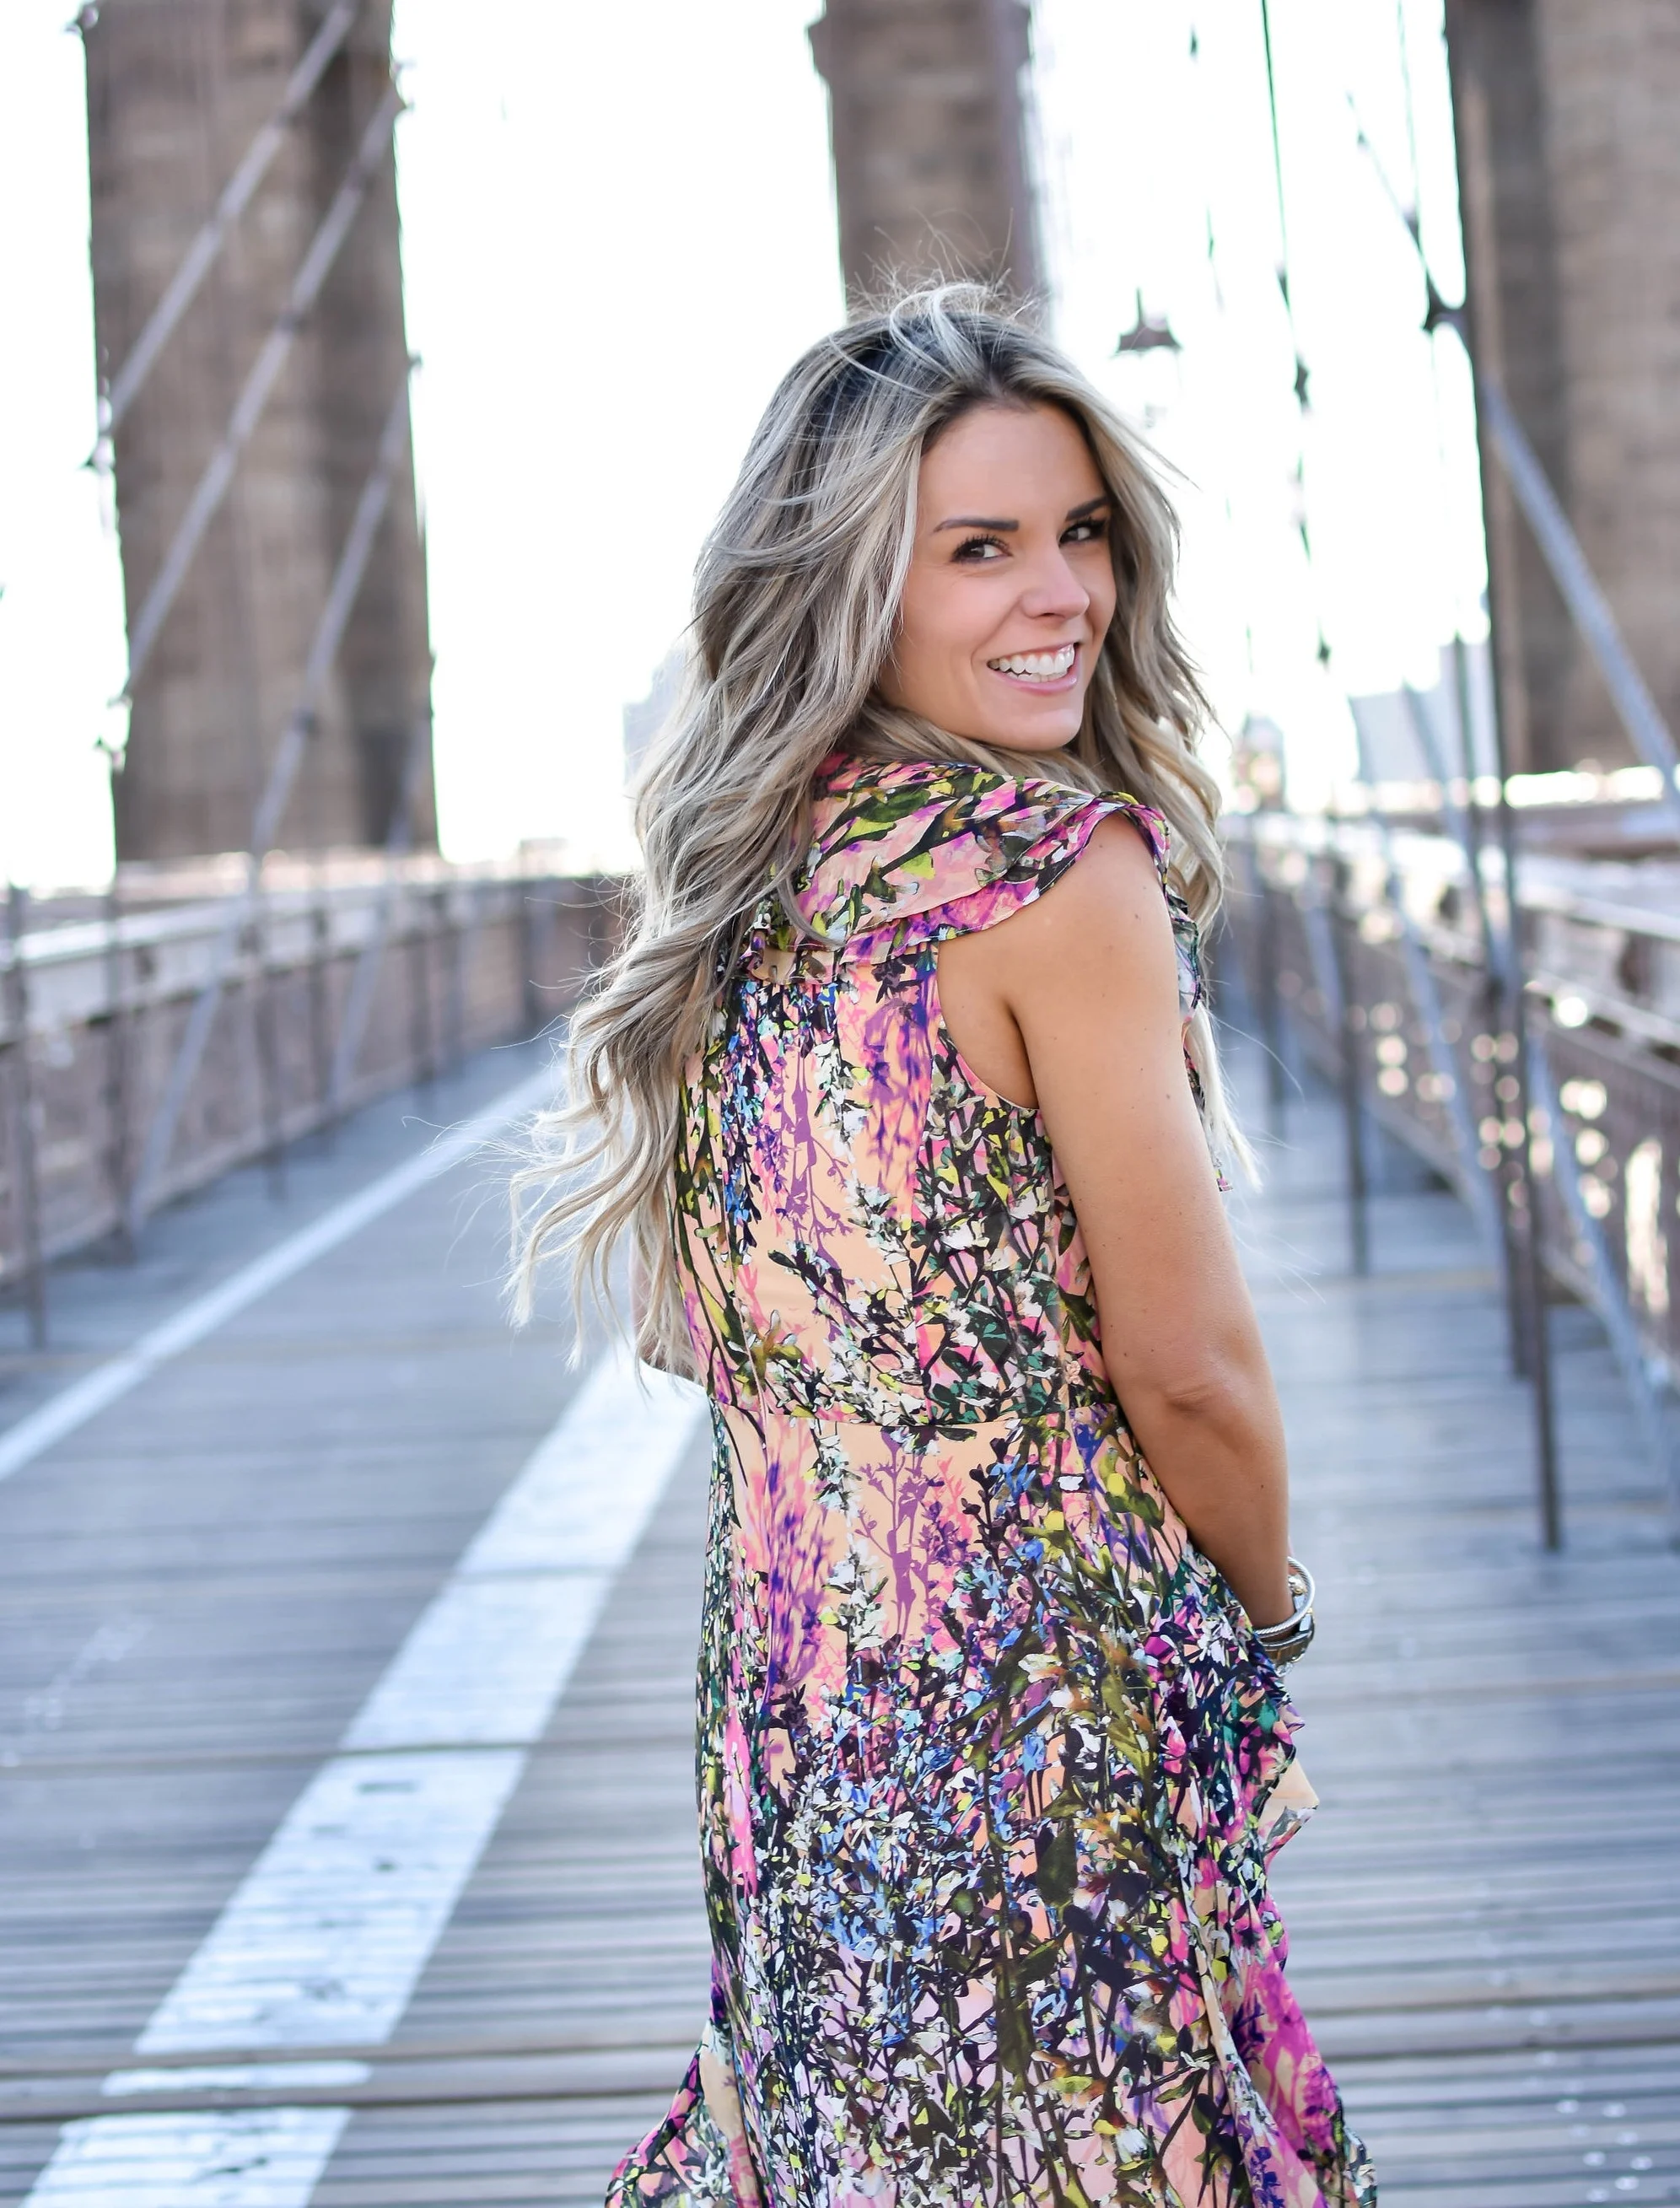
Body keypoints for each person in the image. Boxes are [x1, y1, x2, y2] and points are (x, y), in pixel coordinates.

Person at [514, 287, 1376, 2208]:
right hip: (1046, 1702)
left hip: (797, 1693)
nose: (1060, 594)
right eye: (978, 547)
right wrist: (1267, 1623)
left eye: (1082, 533)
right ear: (850, 583)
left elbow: (694, 1324)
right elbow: (1189, 1369)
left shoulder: (745, 873)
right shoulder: (1063, 877)